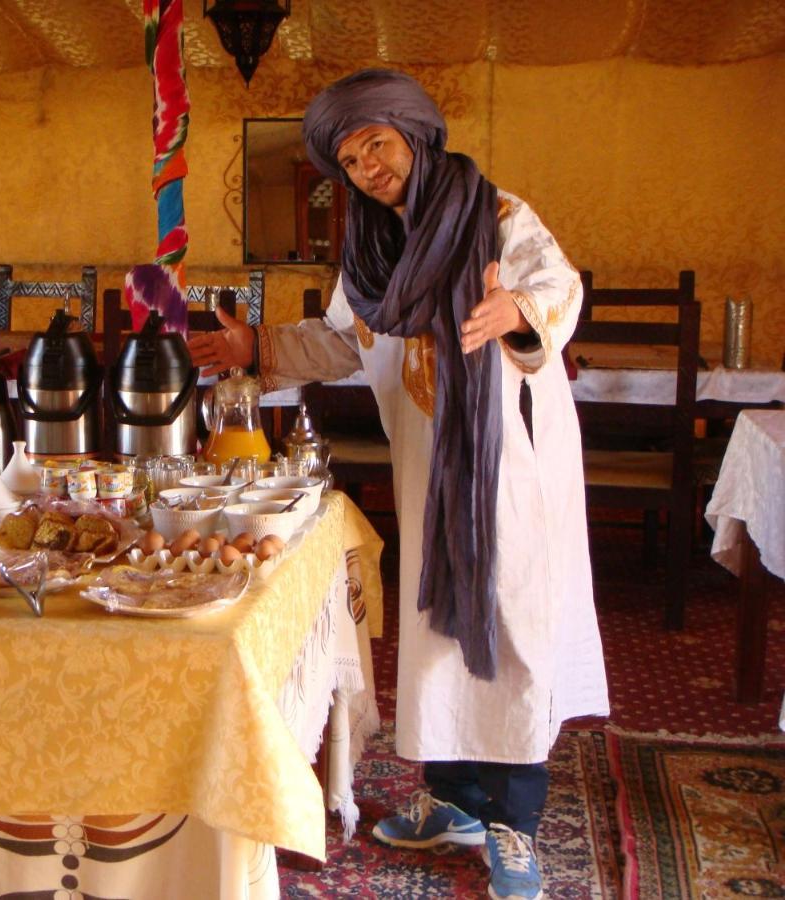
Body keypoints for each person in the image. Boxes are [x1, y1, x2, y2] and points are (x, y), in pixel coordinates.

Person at [187, 69, 608, 900]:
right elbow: (344, 341)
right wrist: (256, 351)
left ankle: (515, 826)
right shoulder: (374, 250)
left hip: (505, 464)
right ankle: (452, 800)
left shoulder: (496, 215)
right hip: (427, 463)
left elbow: (562, 287)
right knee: (437, 626)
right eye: (348, 158)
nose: (367, 166)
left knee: (510, 620)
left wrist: (517, 312)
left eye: (375, 143)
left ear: (413, 135)